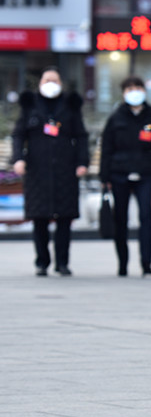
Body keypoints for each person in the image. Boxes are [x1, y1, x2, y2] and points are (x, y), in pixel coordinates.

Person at [11, 67, 89, 276]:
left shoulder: (70, 106)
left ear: (61, 84)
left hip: (65, 169)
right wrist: (18, 158)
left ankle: (62, 262)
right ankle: (42, 262)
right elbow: (18, 135)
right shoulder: (30, 106)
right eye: (47, 80)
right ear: (40, 83)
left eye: (54, 80)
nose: (51, 84)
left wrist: (82, 162)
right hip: (37, 170)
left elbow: (81, 136)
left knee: (65, 218)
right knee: (39, 218)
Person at [99, 76, 151, 277]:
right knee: (120, 219)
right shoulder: (116, 117)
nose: (134, 92)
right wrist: (104, 176)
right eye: (130, 89)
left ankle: (146, 263)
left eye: (138, 88)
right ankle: (122, 263)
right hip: (119, 173)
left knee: (146, 216)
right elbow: (106, 148)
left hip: (144, 173)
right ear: (123, 93)